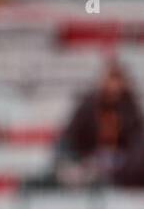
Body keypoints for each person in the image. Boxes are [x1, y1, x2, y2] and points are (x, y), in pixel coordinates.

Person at [54, 60, 144, 189]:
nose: (114, 85)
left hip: (122, 165)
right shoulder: (88, 106)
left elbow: (136, 142)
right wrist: (76, 163)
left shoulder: (130, 108)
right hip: (88, 161)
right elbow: (70, 137)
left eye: (117, 79)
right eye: (111, 79)